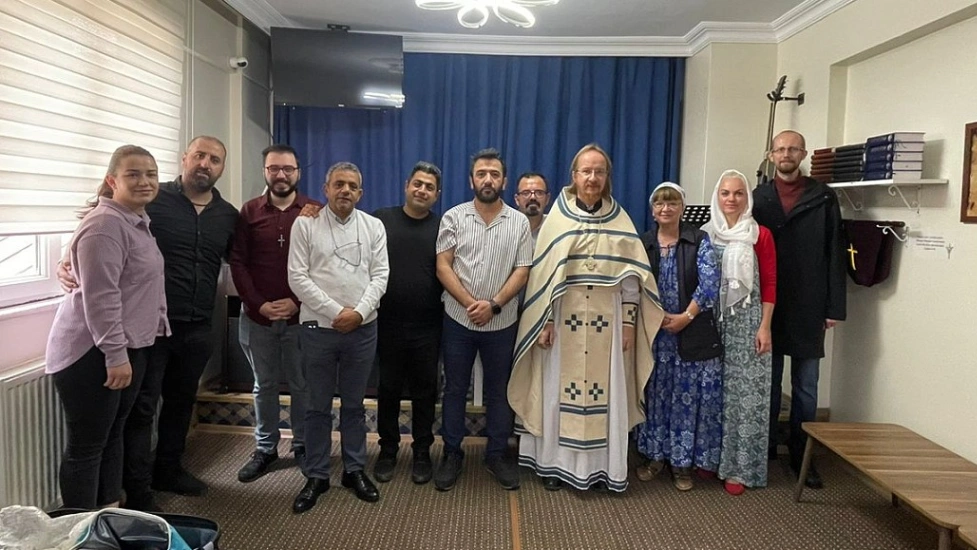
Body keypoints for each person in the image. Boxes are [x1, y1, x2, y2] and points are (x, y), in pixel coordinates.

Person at [58, 136, 238, 511]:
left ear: (222, 167)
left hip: (195, 324)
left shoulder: (227, 215)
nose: (206, 163)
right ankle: (137, 493)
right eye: (199, 155)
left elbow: (249, 260)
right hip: (146, 330)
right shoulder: (151, 201)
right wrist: (66, 262)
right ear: (185, 158)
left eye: (215, 159)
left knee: (178, 404)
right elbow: (97, 243)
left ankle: (168, 470)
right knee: (139, 413)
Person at [508, 144, 664, 492]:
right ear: (574, 176)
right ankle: (552, 465)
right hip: (563, 320)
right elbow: (545, 278)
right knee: (554, 393)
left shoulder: (621, 220)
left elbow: (630, 280)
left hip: (606, 325)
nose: (592, 178)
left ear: (607, 177)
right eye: (586, 171)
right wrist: (545, 321)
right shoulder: (557, 220)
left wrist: (627, 324)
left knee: (605, 396)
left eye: (599, 171)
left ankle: (601, 469)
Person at [45, 145, 169, 510]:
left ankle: (109, 516)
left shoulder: (134, 221)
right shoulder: (105, 225)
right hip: (93, 353)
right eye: (133, 174)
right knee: (87, 447)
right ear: (112, 180)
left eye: (151, 174)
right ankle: (79, 530)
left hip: (127, 346)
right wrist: (116, 355)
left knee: (112, 436)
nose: (145, 181)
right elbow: (102, 299)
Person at [288, 162, 389, 512]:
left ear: (361, 193)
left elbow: (381, 275)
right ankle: (316, 474)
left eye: (352, 186)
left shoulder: (373, 226)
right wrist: (336, 313)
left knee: (354, 406)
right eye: (339, 184)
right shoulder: (306, 223)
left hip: (362, 329)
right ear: (326, 188)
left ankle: (354, 469)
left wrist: (358, 313)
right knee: (316, 406)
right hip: (318, 330)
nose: (345, 190)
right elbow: (297, 277)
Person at [434, 148, 533, 492]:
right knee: (455, 389)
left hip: (501, 322)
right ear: (471, 179)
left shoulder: (518, 222)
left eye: (494, 173)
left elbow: (523, 270)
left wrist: (493, 304)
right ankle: (451, 452)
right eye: (481, 173)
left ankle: (496, 454)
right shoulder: (454, 217)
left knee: (498, 391)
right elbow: (443, 265)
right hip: (457, 320)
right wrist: (470, 303)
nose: (487, 179)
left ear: (504, 180)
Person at [752, 130, 847, 490]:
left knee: (806, 387)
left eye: (793, 149)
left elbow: (835, 252)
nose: (786, 154)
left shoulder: (823, 197)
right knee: (769, 383)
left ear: (803, 154)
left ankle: (802, 456)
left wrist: (834, 306)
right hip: (769, 305)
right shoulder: (758, 197)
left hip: (810, 302)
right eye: (780, 149)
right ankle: (763, 451)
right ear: (771, 155)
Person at [230, 144, 320, 483]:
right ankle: (265, 448)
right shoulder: (249, 212)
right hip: (257, 318)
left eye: (288, 168)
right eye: (273, 168)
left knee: (302, 386)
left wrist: (298, 302)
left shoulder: (314, 211)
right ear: (265, 172)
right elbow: (238, 262)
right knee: (263, 385)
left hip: (302, 317)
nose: (281, 175)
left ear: (298, 171)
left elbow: (322, 266)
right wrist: (258, 304)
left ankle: (302, 445)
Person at [635, 181, 723, 492]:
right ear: (652, 209)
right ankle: (655, 457)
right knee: (657, 398)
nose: (665, 208)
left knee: (686, 401)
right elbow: (634, 285)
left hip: (691, 333)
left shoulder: (698, 240)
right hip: (656, 335)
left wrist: (686, 317)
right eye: (659, 203)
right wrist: (655, 318)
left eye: (672, 203)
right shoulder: (644, 243)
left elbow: (710, 283)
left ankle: (682, 465)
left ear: (682, 208)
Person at [702, 170, 777, 496]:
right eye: (725, 193)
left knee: (744, 400)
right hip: (715, 325)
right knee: (715, 396)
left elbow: (771, 284)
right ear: (717, 197)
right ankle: (712, 460)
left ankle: (739, 468)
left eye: (738, 194)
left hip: (748, 327)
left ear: (747, 198)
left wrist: (765, 327)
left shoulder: (760, 236)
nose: (731, 199)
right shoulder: (706, 235)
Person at [372, 162, 444, 485]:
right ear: (406, 186)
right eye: (418, 184)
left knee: (425, 393)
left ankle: (421, 453)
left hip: (429, 327)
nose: (422, 190)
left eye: (429, 187)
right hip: (386, 324)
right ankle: (387, 451)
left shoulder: (443, 227)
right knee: (387, 391)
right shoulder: (380, 220)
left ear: (437, 194)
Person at [513, 172, 550, 244]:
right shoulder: (506, 227)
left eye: (539, 193)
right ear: (517, 200)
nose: (533, 197)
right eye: (526, 193)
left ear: (547, 199)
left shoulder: (556, 228)